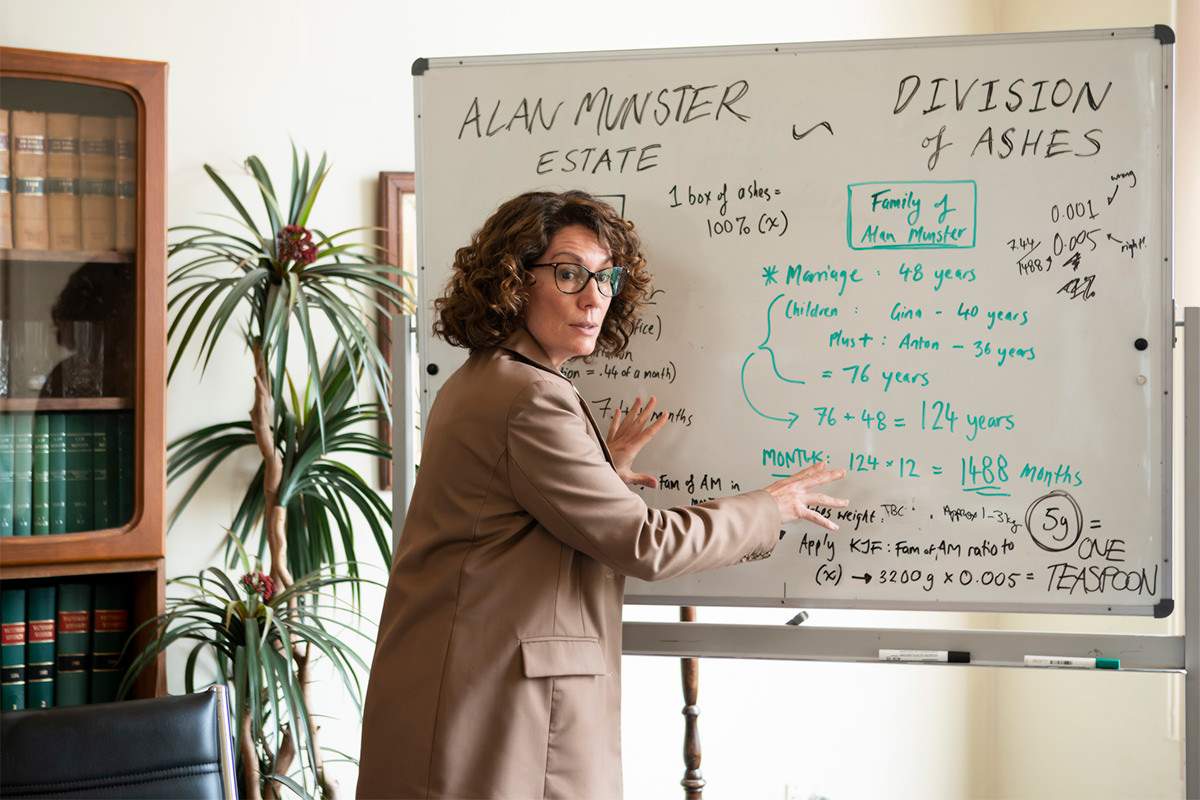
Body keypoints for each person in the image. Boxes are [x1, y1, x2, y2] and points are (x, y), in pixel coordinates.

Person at [356, 190, 847, 799]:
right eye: (569, 275)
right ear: (512, 280)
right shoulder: (530, 397)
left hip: (467, 688)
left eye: (605, 277)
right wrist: (767, 509)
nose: (594, 297)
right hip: (500, 706)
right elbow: (644, 544)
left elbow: (511, 520)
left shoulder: (485, 378)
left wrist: (601, 472)